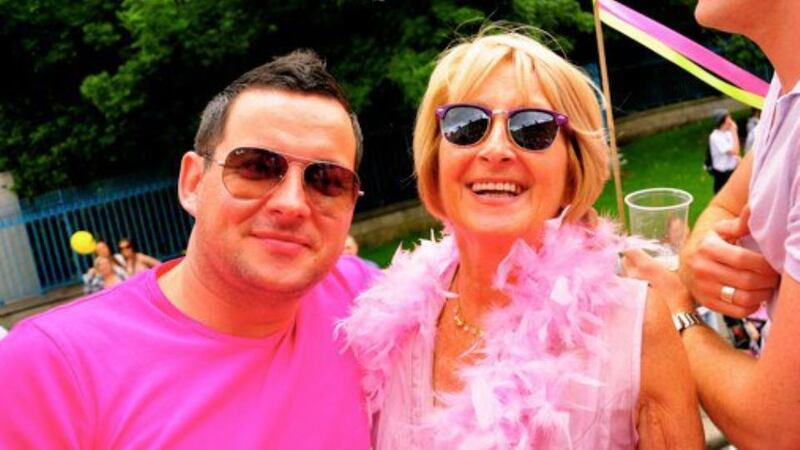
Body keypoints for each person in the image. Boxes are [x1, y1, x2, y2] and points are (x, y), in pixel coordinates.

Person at [339, 28, 703, 449]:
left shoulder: (635, 327)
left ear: (572, 167)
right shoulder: (388, 330)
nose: (495, 149)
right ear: (437, 158)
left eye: (532, 128)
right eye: (466, 124)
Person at [0, 50, 377, 449]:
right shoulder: (55, 368)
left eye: (328, 180)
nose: (292, 203)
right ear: (193, 182)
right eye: (256, 167)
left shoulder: (373, 307)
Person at [626, 0, 800, 446]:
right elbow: (723, 207)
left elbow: (778, 427)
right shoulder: (787, 83)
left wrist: (676, 310)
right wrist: (700, 248)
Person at [708, 109, 741, 193]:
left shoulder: (728, 133)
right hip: (722, 176)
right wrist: (734, 131)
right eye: (728, 117)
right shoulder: (715, 137)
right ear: (723, 121)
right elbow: (735, 151)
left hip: (732, 172)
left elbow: (736, 152)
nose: (731, 119)